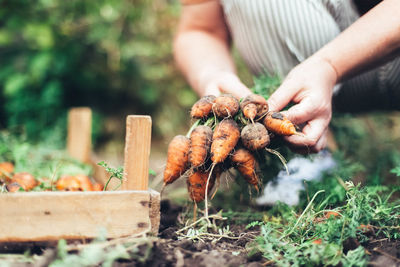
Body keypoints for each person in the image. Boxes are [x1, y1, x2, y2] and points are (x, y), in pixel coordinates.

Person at [173, 0, 400, 205]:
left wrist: (329, 64)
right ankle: (311, 151)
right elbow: (200, 28)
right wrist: (211, 74)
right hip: (343, 78)